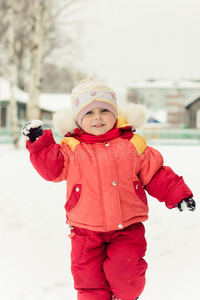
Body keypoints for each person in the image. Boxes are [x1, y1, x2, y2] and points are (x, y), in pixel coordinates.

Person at [22, 79, 196, 300]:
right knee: (89, 284)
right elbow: (51, 170)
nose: (98, 117)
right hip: (85, 231)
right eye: (89, 112)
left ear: (115, 113)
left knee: (128, 279)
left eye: (104, 110)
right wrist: (39, 144)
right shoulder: (70, 148)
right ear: (78, 119)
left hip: (127, 228)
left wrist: (178, 194)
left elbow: (155, 173)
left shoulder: (132, 144)